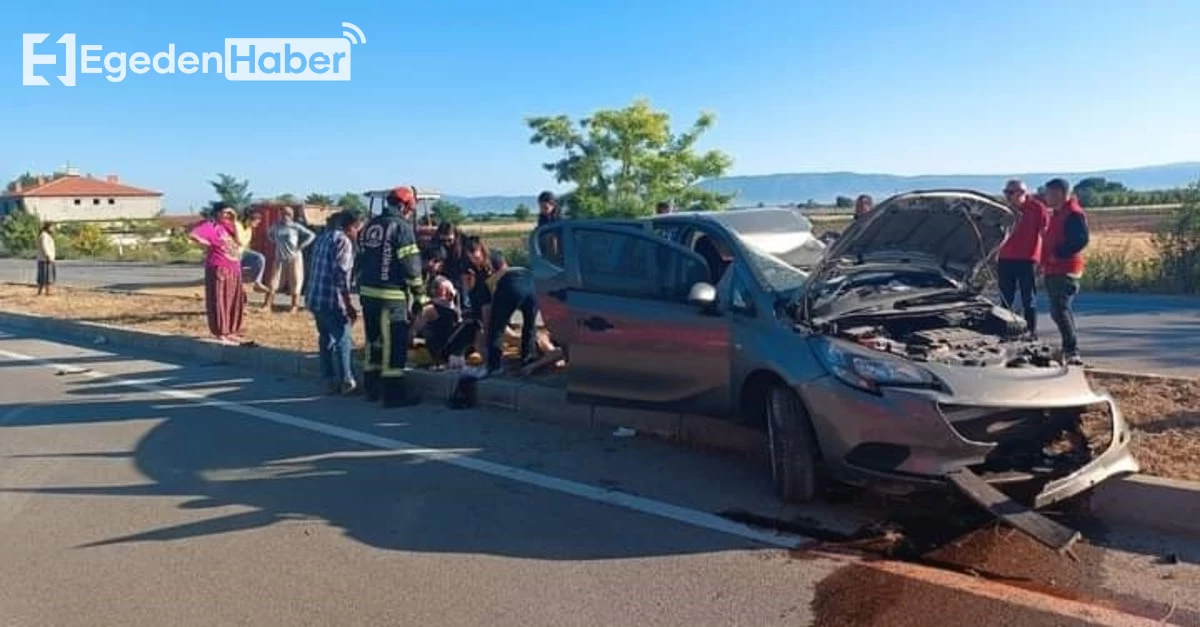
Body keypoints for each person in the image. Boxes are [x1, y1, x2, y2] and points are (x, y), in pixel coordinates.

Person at [355, 186, 430, 406]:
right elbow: (411, 267)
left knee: (374, 342)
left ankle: (372, 389)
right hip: (391, 296)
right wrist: (420, 297)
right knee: (394, 345)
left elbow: (361, 260)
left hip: (367, 294)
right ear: (405, 206)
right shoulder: (401, 227)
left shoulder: (370, 226)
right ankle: (393, 395)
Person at [305, 210, 361, 395]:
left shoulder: (323, 237)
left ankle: (328, 379)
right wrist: (349, 305)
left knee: (325, 338)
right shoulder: (343, 242)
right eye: (356, 228)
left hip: (315, 296)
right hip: (331, 299)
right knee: (343, 339)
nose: (357, 233)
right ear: (351, 226)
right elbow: (341, 276)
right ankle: (346, 380)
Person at [1042, 178, 1090, 366]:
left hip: (1065, 269)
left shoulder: (1073, 214)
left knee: (1060, 310)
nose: (1046, 197)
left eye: (1049, 193)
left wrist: (1059, 254)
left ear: (1060, 193)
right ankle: (1068, 348)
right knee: (1059, 311)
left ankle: (1071, 351)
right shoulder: (1058, 212)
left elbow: (1081, 239)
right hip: (1054, 268)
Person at [998, 180, 1050, 336]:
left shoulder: (1037, 208)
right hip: (1005, 258)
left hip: (1028, 259)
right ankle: (1005, 332)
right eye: (1005, 192)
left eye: (1010, 193)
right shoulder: (1003, 210)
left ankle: (1031, 333)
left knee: (1028, 298)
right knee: (1005, 298)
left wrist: (1043, 261)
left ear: (1022, 193)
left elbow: (1046, 235)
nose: (1007, 196)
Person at [477, 249, 539, 375]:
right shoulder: (519, 268)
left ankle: (495, 366)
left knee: (497, 328)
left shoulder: (491, 280)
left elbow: (488, 319)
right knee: (530, 326)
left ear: (491, 267)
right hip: (532, 283)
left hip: (510, 284)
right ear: (504, 262)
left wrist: (486, 337)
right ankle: (528, 361)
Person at [190, 207, 247, 344]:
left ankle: (232, 330)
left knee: (233, 299)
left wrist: (234, 222)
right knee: (220, 300)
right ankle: (221, 331)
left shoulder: (229, 227)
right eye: (225, 212)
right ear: (217, 213)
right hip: (219, 266)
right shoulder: (211, 226)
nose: (227, 215)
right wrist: (208, 244)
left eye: (230, 213)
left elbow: (240, 242)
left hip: (234, 267)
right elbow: (193, 234)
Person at [411, 276, 480, 364]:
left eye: (449, 289)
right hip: (441, 346)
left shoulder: (453, 307)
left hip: (452, 340)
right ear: (436, 290)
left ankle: (475, 353)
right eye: (445, 289)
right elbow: (415, 329)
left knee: (474, 324)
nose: (448, 292)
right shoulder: (430, 308)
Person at [265, 206, 316, 313]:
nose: (285, 216)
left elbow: (311, 235)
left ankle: (294, 305)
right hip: (280, 256)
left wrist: (301, 246)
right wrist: (275, 242)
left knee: (296, 280)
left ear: (291, 216)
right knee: (274, 280)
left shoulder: (295, 226)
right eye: (283, 214)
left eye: (288, 214)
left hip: (294, 256)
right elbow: (269, 234)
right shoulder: (276, 226)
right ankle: (267, 304)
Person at [234, 209, 267, 293]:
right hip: (234, 253)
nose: (257, 224)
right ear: (250, 219)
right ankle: (239, 283)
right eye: (256, 222)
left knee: (259, 258)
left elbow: (244, 244)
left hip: (242, 252)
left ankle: (256, 281)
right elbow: (240, 241)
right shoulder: (237, 225)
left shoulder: (249, 229)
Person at [35, 222, 56, 296]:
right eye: (52, 227)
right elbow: (45, 246)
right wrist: (48, 255)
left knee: (44, 276)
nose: (53, 229)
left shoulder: (46, 235)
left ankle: (41, 292)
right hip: (45, 259)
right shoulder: (44, 236)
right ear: (48, 227)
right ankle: (47, 292)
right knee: (46, 276)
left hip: (44, 259)